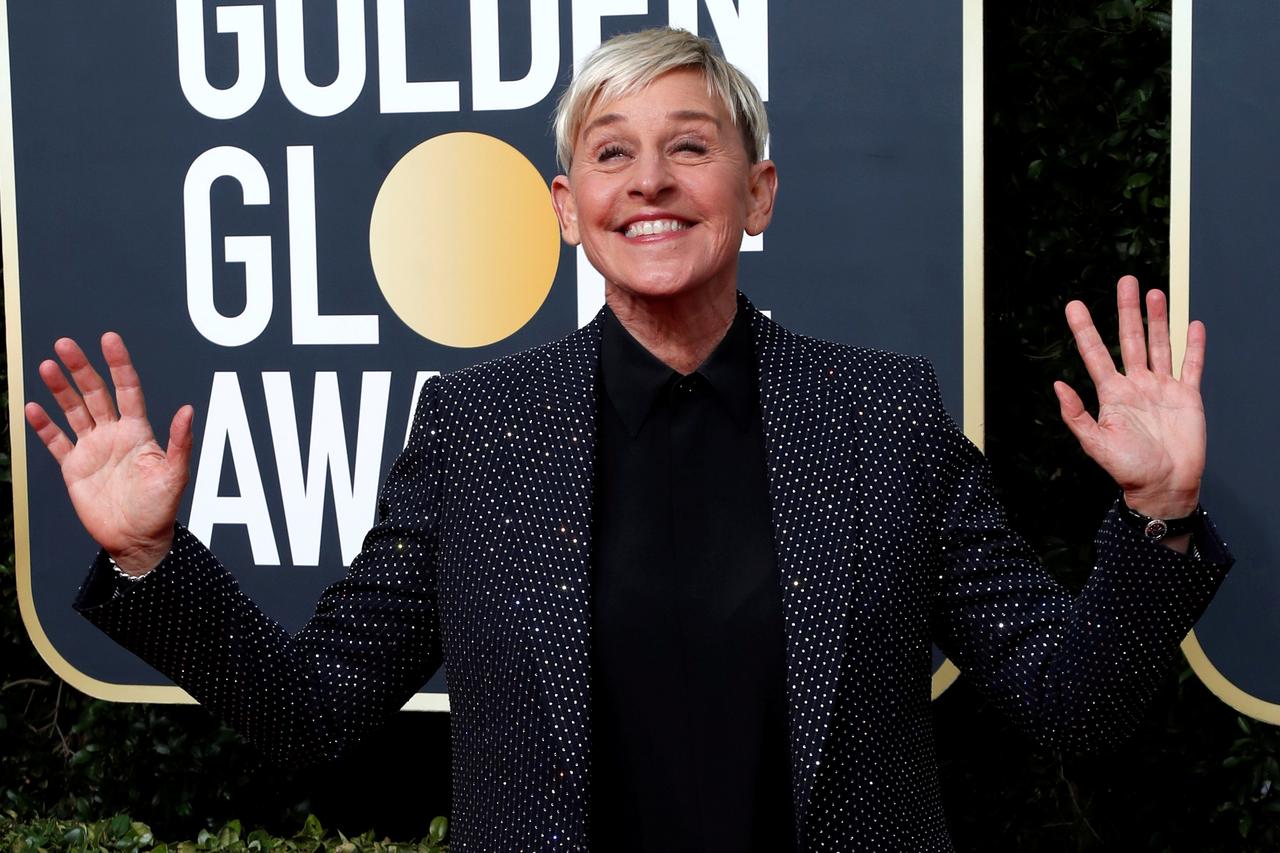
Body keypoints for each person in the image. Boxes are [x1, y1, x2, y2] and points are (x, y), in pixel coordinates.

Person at [25, 27, 1231, 853]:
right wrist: (148, 560)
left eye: (689, 145)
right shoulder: (477, 432)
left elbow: (1072, 705)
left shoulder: (883, 417)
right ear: (568, 210)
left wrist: (1157, 515)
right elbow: (314, 709)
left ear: (756, 194)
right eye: (610, 153)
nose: (648, 180)